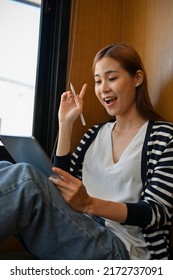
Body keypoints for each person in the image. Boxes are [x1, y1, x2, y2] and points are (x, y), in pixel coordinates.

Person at [0, 43, 173, 260]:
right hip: (81, 227)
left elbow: (157, 212)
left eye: (112, 78)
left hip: (125, 251)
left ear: (137, 79)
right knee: (5, 168)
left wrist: (89, 204)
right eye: (98, 81)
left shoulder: (164, 136)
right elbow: (62, 184)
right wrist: (65, 124)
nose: (103, 88)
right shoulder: (93, 134)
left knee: (24, 179)